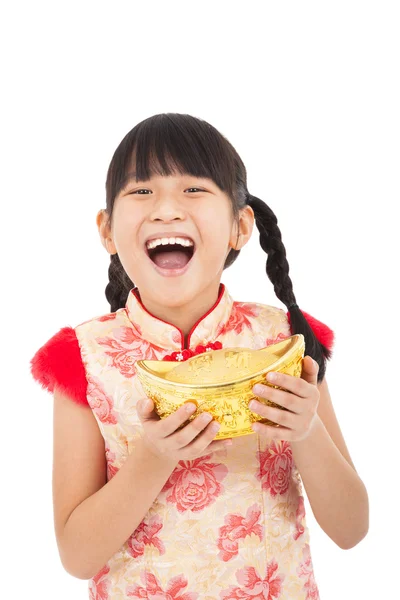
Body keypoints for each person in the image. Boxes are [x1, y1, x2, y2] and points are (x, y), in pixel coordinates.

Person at [30, 113, 369, 599]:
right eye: (141, 191)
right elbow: (77, 556)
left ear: (240, 225)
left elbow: (352, 528)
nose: (167, 209)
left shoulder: (285, 340)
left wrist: (306, 431)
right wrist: (153, 457)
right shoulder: (84, 359)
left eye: (194, 189)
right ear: (106, 230)